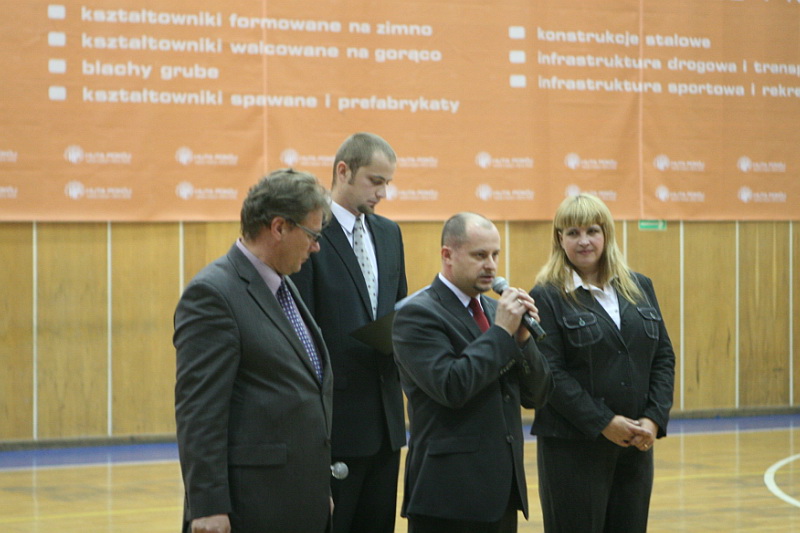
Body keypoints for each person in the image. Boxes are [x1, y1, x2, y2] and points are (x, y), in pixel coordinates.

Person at [174, 169, 334, 533]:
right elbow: (200, 411)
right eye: (312, 235)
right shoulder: (213, 294)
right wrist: (208, 506)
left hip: (297, 500)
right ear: (279, 228)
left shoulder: (283, 287)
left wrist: (316, 487)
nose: (316, 247)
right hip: (250, 507)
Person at [392, 212, 553, 533]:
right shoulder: (417, 314)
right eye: (480, 255)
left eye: (495, 255)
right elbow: (452, 386)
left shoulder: (495, 312)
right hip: (448, 495)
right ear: (447, 255)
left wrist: (523, 341)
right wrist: (502, 333)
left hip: (501, 492)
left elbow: (537, 395)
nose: (491, 265)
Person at [529, 193, 675, 533]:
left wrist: (653, 419)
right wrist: (604, 422)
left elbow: (663, 357)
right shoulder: (546, 295)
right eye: (573, 232)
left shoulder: (640, 286)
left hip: (635, 446)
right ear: (559, 239)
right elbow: (551, 374)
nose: (584, 241)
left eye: (592, 231)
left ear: (606, 235)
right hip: (573, 450)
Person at [290, 132, 407, 533]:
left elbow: (398, 310)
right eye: (375, 181)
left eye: (387, 183)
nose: (383, 193)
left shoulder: (389, 233)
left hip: (387, 425)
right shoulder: (311, 233)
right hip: (335, 425)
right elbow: (299, 331)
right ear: (343, 171)